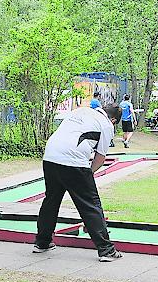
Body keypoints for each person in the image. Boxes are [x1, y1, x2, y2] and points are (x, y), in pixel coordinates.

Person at [33, 104, 123, 262]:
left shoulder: (80, 110)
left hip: (50, 157)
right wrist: (88, 173)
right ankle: (106, 251)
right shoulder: (107, 125)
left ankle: (42, 242)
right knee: (91, 204)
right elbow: (100, 159)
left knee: (51, 201)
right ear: (113, 119)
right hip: (74, 162)